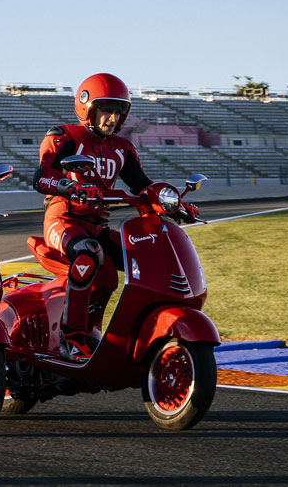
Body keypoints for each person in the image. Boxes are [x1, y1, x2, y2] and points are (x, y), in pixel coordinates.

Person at [32, 73, 199, 362]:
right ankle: (70, 339)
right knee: (88, 254)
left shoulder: (122, 148)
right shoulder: (63, 135)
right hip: (64, 220)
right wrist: (72, 186)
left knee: (142, 260)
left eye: (118, 111)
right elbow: (42, 176)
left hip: (98, 225)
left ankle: (103, 332)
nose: (112, 118)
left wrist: (174, 203)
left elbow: (142, 185)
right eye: (106, 110)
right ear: (87, 108)